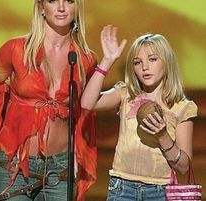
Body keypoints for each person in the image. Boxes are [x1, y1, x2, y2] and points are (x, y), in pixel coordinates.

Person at [0, 0, 97, 201]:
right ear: (41, 6)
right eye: (53, 1)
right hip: (14, 166)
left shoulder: (85, 59)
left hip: (60, 171)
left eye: (69, 1)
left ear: (77, 7)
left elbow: (83, 113)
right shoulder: (16, 49)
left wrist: (77, 155)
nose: (61, 8)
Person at [81, 25, 198, 200]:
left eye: (152, 59)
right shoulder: (126, 94)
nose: (144, 67)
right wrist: (107, 60)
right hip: (122, 188)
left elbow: (183, 167)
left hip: (159, 191)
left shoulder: (182, 106)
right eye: (137, 62)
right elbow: (87, 102)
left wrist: (162, 135)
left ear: (167, 61)